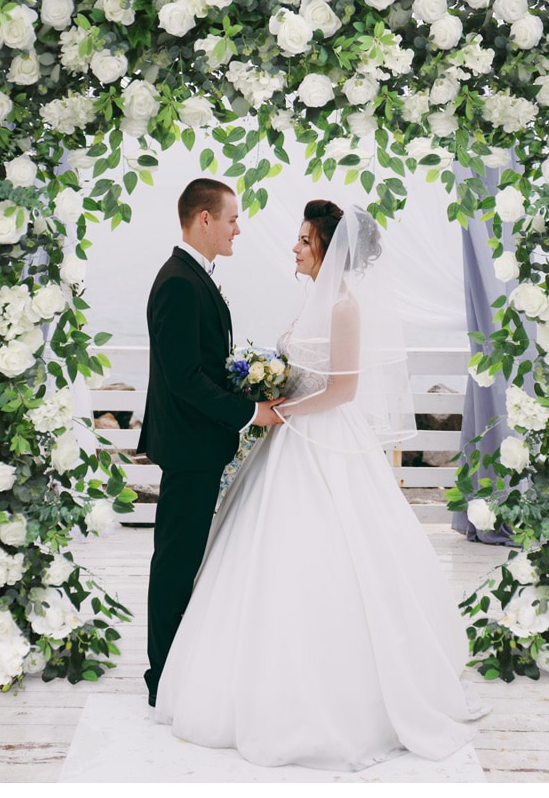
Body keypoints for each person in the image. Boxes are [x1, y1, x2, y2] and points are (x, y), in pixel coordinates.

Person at [154, 200, 487, 770]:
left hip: (321, 438)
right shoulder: (312, 301)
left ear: (328, 252)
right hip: (288, 435)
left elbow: (344, 391)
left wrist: (279, 413)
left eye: (304, 241)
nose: (295, 248)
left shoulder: (344, 308)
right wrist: (266, 393)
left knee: (336, 555)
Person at [139, 178, 284, 707]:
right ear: (205, 219)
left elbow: (203, 365)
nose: (237, 229)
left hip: (200, 444)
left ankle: (178, 669)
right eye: (231, 219)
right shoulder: (178, 281)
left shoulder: (193, 276)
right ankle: (162, 680)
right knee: (176, 562)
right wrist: (250, 411)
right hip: (188, 447)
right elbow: (183, 377)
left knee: (186, 559)